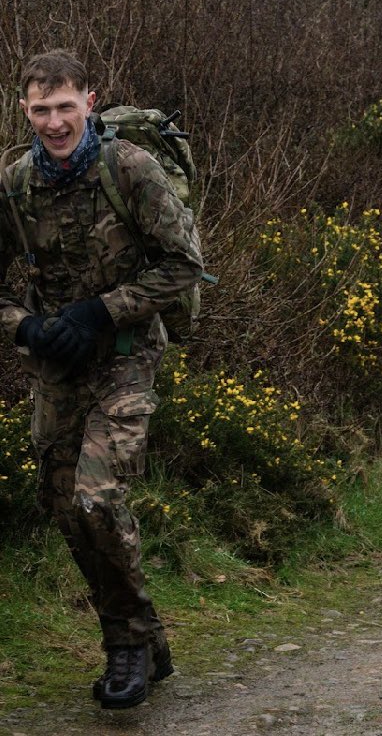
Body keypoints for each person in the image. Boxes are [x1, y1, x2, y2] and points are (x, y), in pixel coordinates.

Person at [0, 50, 204, 707]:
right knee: (62, 507)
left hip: (126, 351)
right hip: (57, 364)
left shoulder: (131, 169)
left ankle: (125, 649)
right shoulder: (15, 184)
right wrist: (25, 328)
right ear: (24, 110)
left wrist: (99, 310)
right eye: (41, 109)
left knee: (95, 497)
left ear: (90, 102)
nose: (54, 122)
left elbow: (182, 266)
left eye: (65, 106)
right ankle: (145, 636)